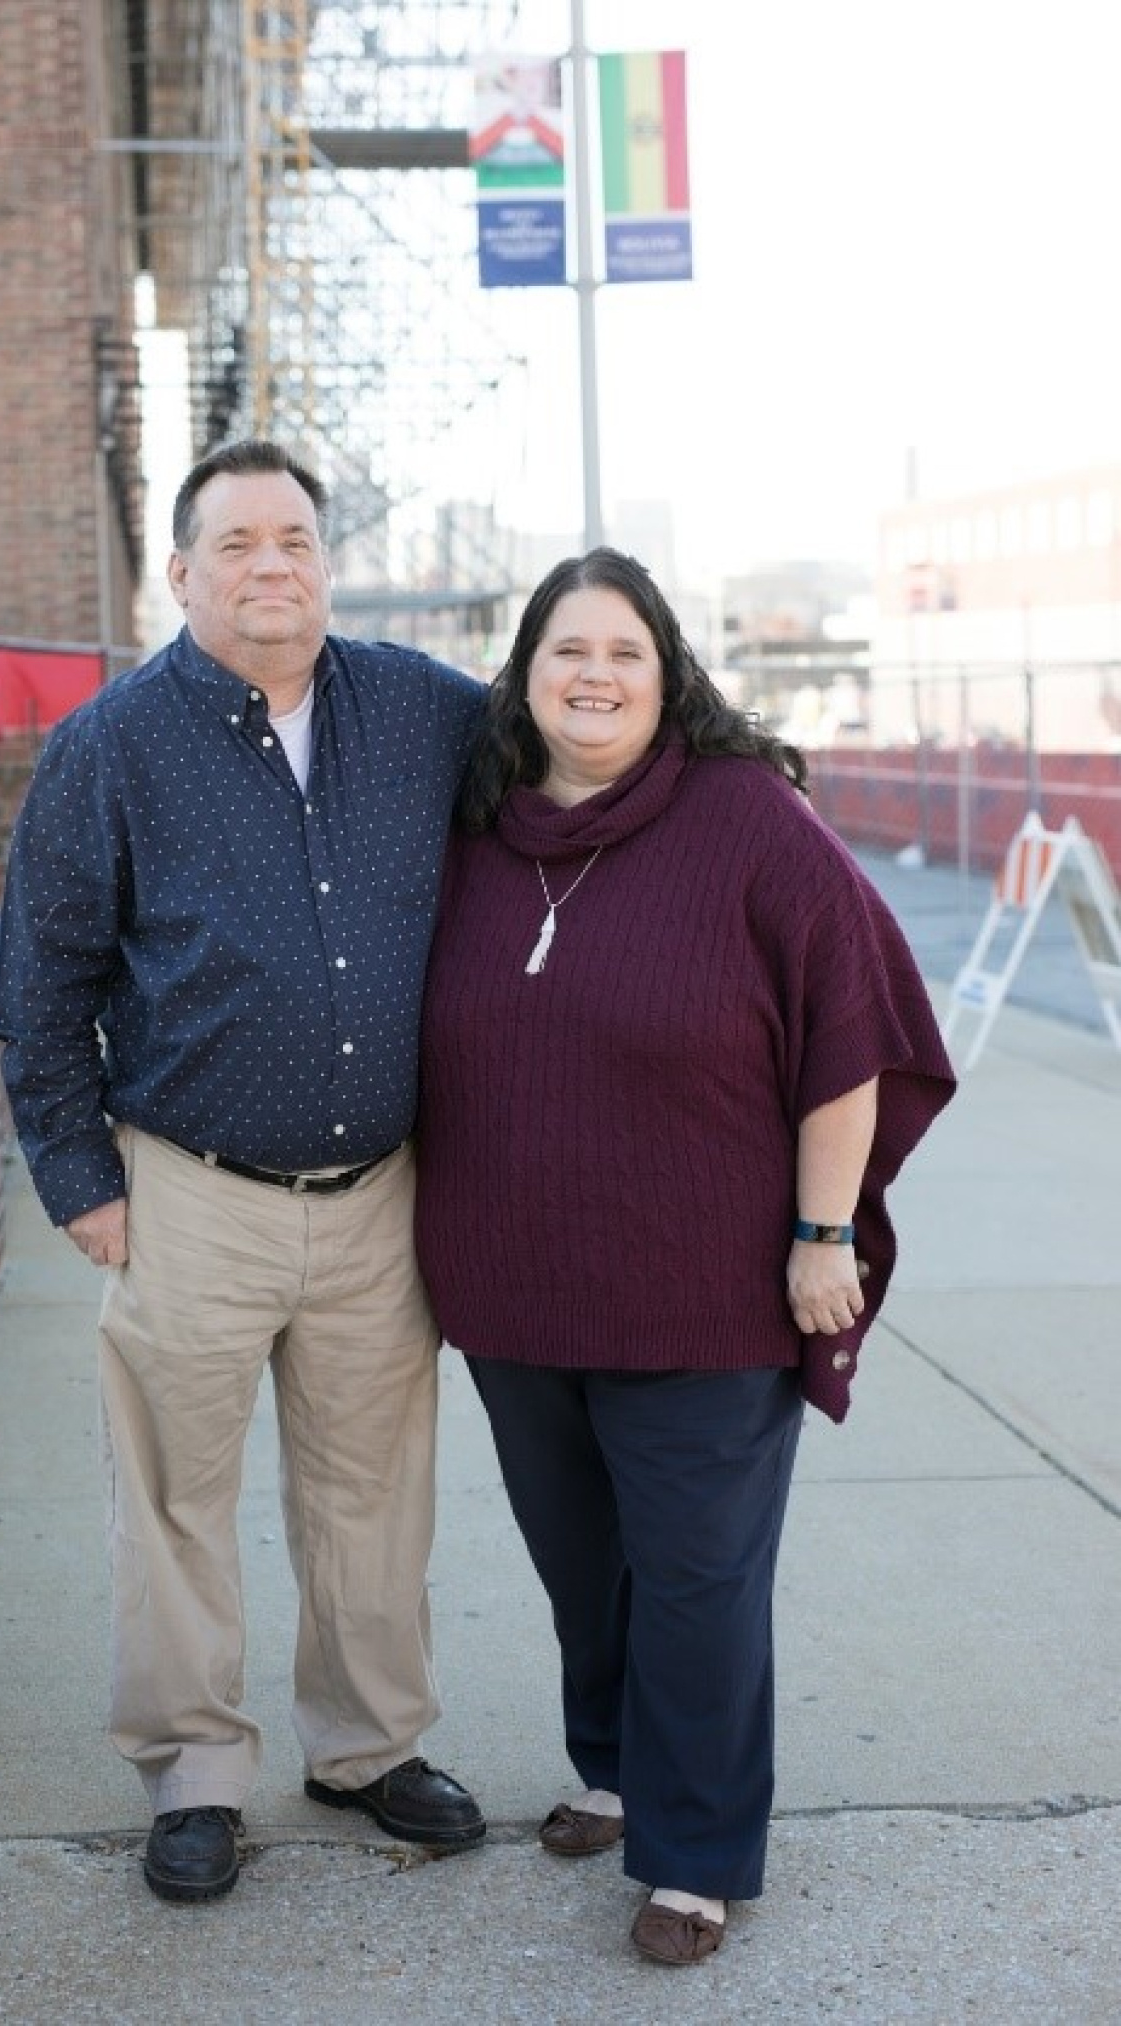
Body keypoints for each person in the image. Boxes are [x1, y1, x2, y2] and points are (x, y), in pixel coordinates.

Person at [413, 548, 955, 1967]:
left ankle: (696, 1849)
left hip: (707, 1287)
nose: (591, 675)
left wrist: (822, 1230)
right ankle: (611, 1767)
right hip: (512, 1284)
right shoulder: (475, 824)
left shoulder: (745, 821)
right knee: (582, 1567)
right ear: (521, 678)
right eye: (563, 652)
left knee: (698, 1575)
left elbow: (851, 1031)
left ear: (669, 676)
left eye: (623, 653)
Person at [0, 440, 488, 1904]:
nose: (272, 564)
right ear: (184, 571)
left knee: (373, 1494)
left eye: (296, 538)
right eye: (238, 543)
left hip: (377, 1188)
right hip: (187, 1184)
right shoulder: (110, 746)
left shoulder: (427, 714)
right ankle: (195, 1770)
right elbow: (40, 979)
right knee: (176, 1500)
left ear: (328, 559)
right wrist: (80, 1177)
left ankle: (368, 1745)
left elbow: (584, 772)